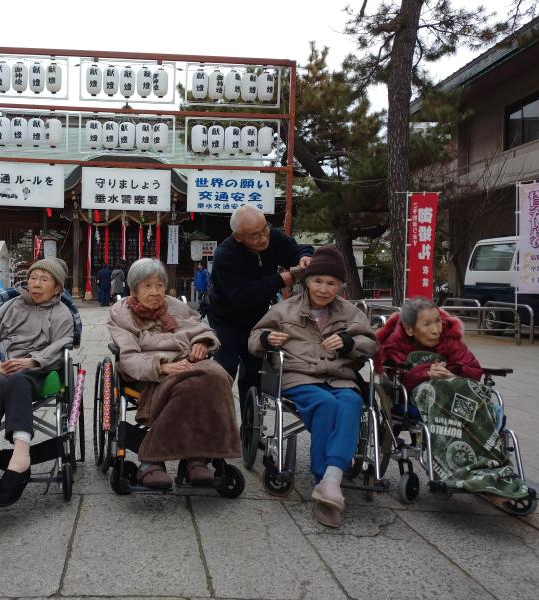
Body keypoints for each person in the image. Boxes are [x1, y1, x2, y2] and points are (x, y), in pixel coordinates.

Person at [248, 246, 376, 528]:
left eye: (331, 283)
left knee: (351, 403)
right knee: (326, 405)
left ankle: (330, 478)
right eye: (318, 281)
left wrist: (350, 343)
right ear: (307, 280)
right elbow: (254, 337)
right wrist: (268, 339)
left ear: (340, 286)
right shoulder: (284, 309)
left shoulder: (351, 313)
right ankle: (327, 479)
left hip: (339, 374)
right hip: (299, 375)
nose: (323, 288)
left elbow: (370, 342)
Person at [375, 297, 529, 502]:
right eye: (427, 324)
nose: (436, 329)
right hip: (422, 397)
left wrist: (450, 371)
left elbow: (474, 369)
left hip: (461, 394)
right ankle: (463, 473)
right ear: (410, 329)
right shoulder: (396, 345)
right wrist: (425, 372)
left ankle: (493, 471)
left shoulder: (449, 340)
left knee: (477, 393)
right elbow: (397, 376)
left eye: (438, 321)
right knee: (435, 392)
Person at [107, 258, 241, 489]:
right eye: (147, 286)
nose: (155, 291)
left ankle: (196, 456)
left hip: (189, 362)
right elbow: (129, 357)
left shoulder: (176, 307)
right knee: (189, 386)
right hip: (152, 372)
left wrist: (201, 342)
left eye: (159, 285)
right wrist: (161, 367)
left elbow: (202, 328)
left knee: (218, 375)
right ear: (134, 289)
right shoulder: (122, 315)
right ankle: (178, 459)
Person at [0, 257, 74, 507]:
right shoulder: (11, 305)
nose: (36, 284)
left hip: (35, 371)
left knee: (16, 380)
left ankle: (20, 455)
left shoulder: (62, 313)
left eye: (44, 279)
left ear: (57, 287)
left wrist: (32, 361)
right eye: (33, 278)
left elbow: (63, 345)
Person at [209, 205, 314, 416]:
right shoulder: (225, 255)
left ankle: (250, 428)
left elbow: (296, 249)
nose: (263, 237)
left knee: (254, 371)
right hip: (226, 319)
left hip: (259, 318)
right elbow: (242, 296)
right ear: (239, 237)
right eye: (255, 235)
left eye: (265, 228)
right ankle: (216, 422)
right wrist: (278, 280)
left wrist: (304, 256)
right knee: (225, 368)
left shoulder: (272, 236)